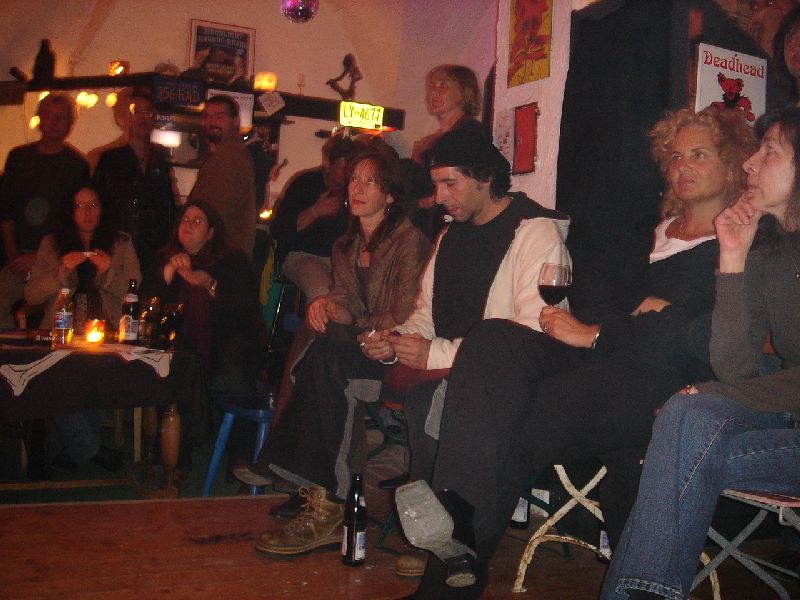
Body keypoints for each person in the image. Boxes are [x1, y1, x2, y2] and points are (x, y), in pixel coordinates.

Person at [394, 107, 757, 599]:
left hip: (659, 383)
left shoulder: (738, 242)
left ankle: (450, 561)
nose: (681, 166)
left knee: (505, 421)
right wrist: (629, 321)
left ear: (732, 162)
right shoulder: (648, 232)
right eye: (674, 156)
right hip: (597, 358)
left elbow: (700, 335)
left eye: (698, 154)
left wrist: (608, 331)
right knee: (493, 339)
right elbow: (591, 296)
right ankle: (457, 520)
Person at [252, 128, 570, 559]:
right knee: (328, 353)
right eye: (436, 184)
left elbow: (528, 336)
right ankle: (327, 502)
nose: (438, 197)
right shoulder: (450, 235)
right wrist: (396, 340)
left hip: (484, 377)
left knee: (419, 396)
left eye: (449, 183)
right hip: (432, 358)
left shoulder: (534, 233)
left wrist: (431, 352)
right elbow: (424, 311)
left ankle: (437, 533)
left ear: (484, 178)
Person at [600, 106, 800, 600]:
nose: (750, 163)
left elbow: (732, 383)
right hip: (786, 422)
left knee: (675, 436)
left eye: (769, 152)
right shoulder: (770, 253)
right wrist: (731, 257)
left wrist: (714, 390)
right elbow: (736, 367)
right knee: (685, 420)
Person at [24, 185, 140, 472]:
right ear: (70, 211)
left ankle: (79, 449)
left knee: (95, 370)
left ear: (103, 208)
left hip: (107, 332)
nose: (87, 212)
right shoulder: (53, 243)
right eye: (79, 206)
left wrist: (108, 271)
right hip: (61, 330)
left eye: (93, 205)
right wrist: (61, 272)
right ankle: (93, 450)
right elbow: (31, 295)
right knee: (57, 374)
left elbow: (135, 290)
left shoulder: (121, 242)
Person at [141, 200, 260, 469]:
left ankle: (241, 459)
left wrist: (210, 284)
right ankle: (175, 462)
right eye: (185, 220)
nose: (189, 226)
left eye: (197, 221)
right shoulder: (165, 259)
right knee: (170, 367)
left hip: (225, 341)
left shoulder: (232, 261)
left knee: (233, 374)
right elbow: (147, 306)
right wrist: (170, 271)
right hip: (178, 344)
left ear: (210, 232)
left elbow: (244, 311)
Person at [0, 93, 89, 328]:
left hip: (53, 261)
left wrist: (39, 258)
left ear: (70, 124)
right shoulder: (18, 158)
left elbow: (74, 221)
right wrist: (12, 255)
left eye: (60, 118)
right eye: (47, 115)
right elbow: (6, 210)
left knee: (56, 311)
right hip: (16, 257)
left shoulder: (76, 165)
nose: (52, 122)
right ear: (39, 118)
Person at [93, 92, 177, 272]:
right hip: (118, 250)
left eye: (148, 112)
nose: (142, 117)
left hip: (153, 252)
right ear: (124, 118)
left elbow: (168, 210)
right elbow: (98, 207)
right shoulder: (109, 160)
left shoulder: (160, 162)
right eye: (135, 111)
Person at [270, 135, 360, 300]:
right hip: (303, 256)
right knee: (324, 293)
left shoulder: (355, 190)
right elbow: (279, 230)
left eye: (352, 169)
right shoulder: (304, 183)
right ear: (327, 163)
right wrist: (314, 211)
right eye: (343, 168)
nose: (348, 174)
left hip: (341, 261)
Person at [406, 64, 486, 240]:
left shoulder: (470, 132)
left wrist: (432, 199)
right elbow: (412, 193)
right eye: (431, 86)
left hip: (457, 229)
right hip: (427, 233)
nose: (434, 92)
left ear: (464, 91)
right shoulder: (425, 144)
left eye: (443, 85)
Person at [187, 95, 256, 256]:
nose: (212, 122)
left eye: (220, 116)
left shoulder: (230, 155)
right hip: (223, 252)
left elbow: (215, 209)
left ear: (235, 121)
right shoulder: (224, 154)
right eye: (207, 116)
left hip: (218, 253)